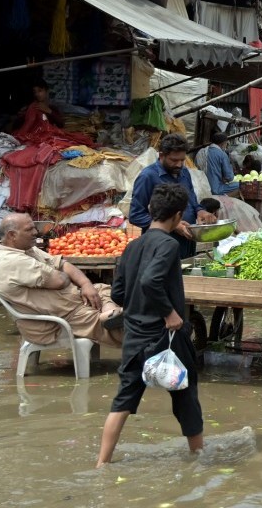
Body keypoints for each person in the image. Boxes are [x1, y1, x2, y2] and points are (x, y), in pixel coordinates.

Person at [97, 184, 204, 467]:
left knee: (123, 402)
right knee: (186, 398)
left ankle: (102, 463)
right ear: (179, 215)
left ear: (149, 210)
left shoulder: (132, 247)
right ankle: (199, 459)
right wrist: (169, 313)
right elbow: (150, 281)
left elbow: (118, 293)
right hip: (163, 335)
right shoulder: (169, 245)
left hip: (133, 337)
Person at [0, 213, 122, 348]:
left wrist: (85, 284)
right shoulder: (13, 261)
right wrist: (65, 276)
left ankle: (109, 314)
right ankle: (113, 320)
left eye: (34, 228)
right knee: (128, 329)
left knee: (103, 289)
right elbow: (60, 280)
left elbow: (63, 264)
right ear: (12, 235)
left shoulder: (28, 249)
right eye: (29, 229)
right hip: (62, 319)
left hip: (74, 304)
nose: (35, 232)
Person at [129, 133, 216, 259]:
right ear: (161, 155)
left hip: (186, 244)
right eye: (174, 160)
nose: (179, 165)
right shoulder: (147, 177)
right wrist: (173, 226)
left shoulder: (184, 172)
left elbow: (192, 201)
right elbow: (136, 215)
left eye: (182, 160)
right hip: (160, 247)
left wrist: (200, 211)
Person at [201, 131, 239, 197]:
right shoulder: (222, 154)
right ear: (223, 143)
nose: (226, 146)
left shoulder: (201, 151)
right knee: (241, 185)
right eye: (226, 144)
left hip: (202, 187)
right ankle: (223, 199)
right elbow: (229, 177)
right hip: (215, 189)